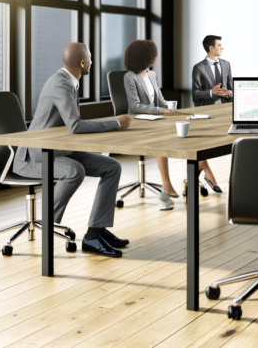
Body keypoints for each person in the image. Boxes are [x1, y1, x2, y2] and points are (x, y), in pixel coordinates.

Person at [12, 43, 132, 258]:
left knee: (111, 167)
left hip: (59, 150)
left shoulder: (69, 81)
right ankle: (48, 223)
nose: (92, 63)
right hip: (35, 156)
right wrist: (115, 123)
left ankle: (96, 232)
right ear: (83, 63)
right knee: (74, 170)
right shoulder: (60, 84)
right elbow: (75, 125)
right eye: (91, 59)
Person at [123, 39, 223, 207]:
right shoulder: (129, 77)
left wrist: (169, 108)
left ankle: (203, 166)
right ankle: (167, 184)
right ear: (145, 56)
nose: (156, 58)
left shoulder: (152, 75)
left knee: (188, 125)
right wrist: (160, 111)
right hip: (139, 121)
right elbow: (135, 106)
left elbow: (160, 100)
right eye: (153, 55)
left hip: (156, 118)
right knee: (162, 136)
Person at [191, 35, 233, 108]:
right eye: (219, 45)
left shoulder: (226, 64)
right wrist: (211, 92)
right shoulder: (198, 68)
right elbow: (195, 93)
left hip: (226, 106)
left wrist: (230, 92)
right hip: (208, 107)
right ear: (211, 48)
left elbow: (231, 87)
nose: (222, 48)